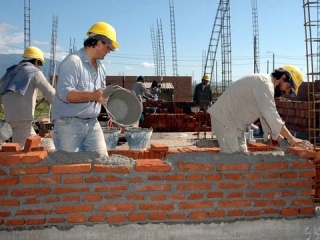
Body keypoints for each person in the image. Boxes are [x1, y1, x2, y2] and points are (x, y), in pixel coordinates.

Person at [207, 65, 310, 154]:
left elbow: (265, 115)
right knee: (233, 161)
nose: (287, 92)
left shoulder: (266, 86)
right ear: (283, 77)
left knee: (242, 157)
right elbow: (270, 114)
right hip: (225, 120)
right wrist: (292, 139)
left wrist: (277, 136)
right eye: (289, 87)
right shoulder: (264, 83)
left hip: (234, 124)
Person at [51, 21, 118, 155]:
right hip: (69, 124)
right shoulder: (73, 62)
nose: (109, 51)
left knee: (101, 161)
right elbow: (65, 94)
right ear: (99, 43)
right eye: (108, 47)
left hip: (92, 123)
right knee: (71, 168)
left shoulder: (101, 68)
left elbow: (100, 95)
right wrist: (93, 95)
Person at [0, 46, 55, 149]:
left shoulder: (10, 72)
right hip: (23, 118)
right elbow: (50, 93)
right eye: (40, 64)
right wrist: (63, 108)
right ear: (37, 61)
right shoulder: (34, 72)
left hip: (9, 118)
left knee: (36, 142)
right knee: (21, 150)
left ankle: (50, 155)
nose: (39, 67)